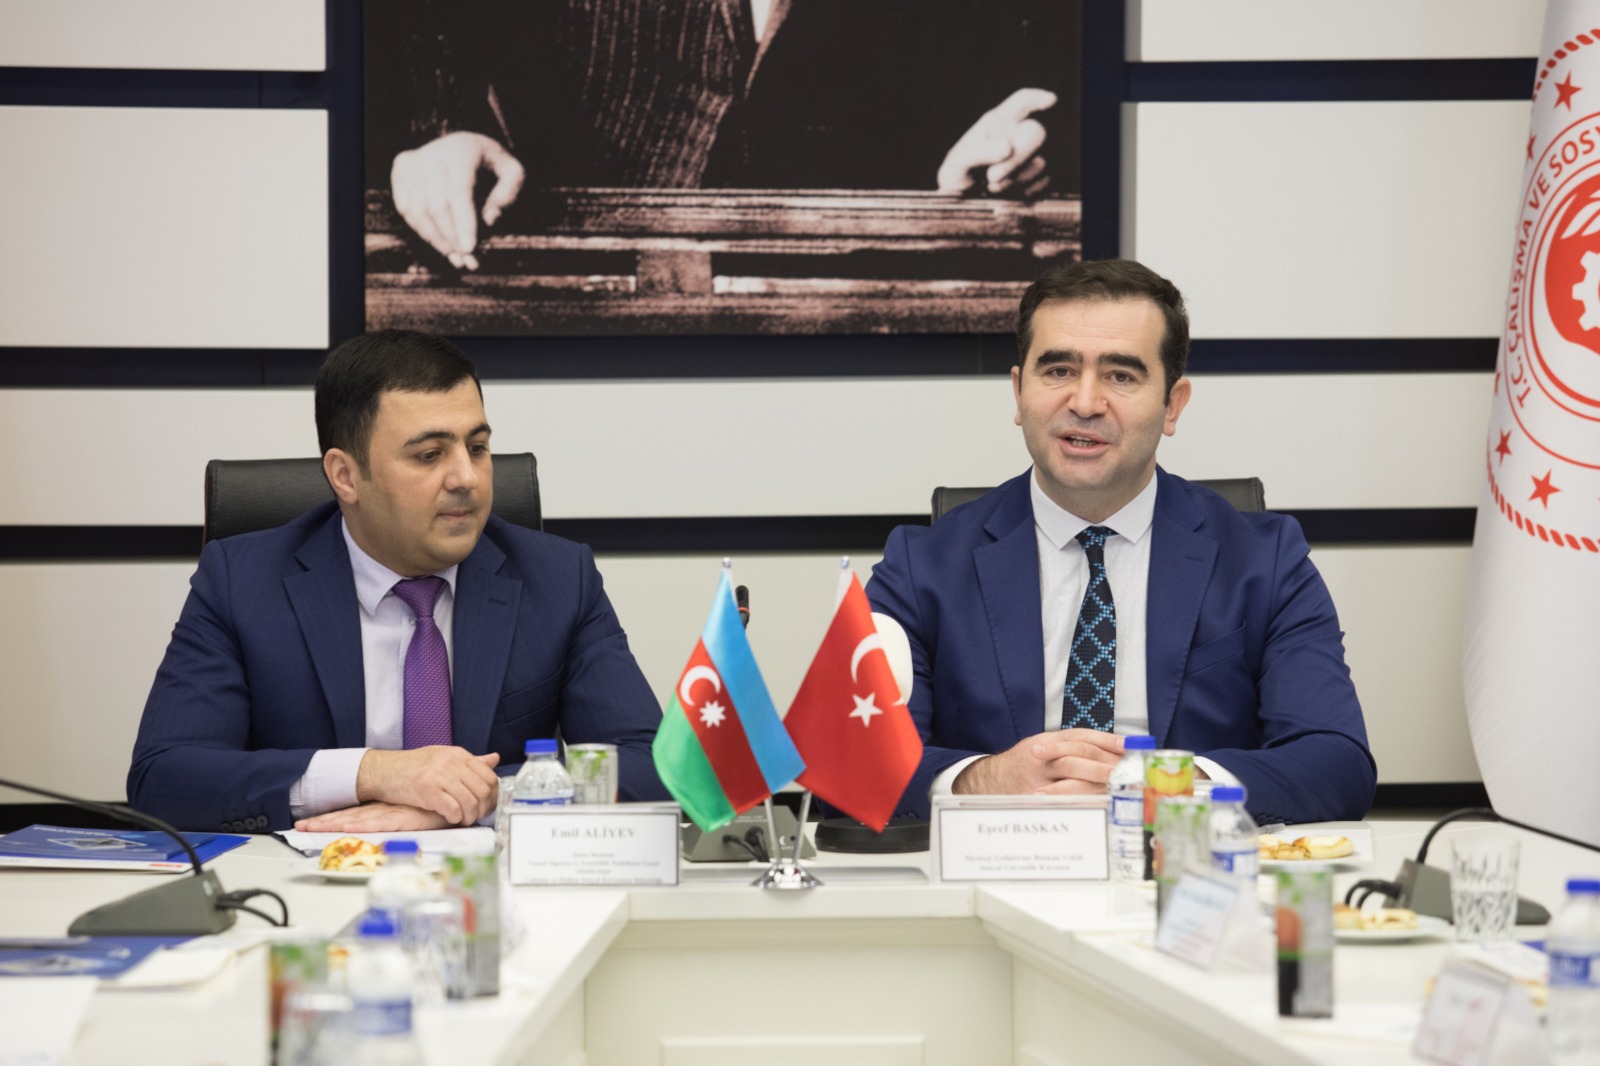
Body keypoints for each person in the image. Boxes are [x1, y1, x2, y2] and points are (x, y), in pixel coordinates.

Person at [866, 259, 1376, 825]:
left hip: (1182, 864)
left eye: (1121, 376)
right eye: (1058, 370)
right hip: (998, 860)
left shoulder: (1265, 560)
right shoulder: (921, 566)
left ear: (1172, 404)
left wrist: (1162, 785)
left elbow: (1337, 765)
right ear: (1018, 391)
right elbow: (855, 763)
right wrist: (985, 781)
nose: (1085, 402)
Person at [127, 331, 666, 832]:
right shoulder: (241, 582)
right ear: (345, 476)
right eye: (429, 455)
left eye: (477, 447)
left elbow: (653, 768)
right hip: (305, 883)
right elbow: (164, 777)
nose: (467, 478)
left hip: (492, 886)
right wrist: (373, 774)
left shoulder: (558, 578)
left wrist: (476, 800)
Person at [366, 1, 1076, 270]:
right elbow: (432, 48)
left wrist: (971, 175)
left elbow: (991, 111)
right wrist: (444, 138)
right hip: (567, 317)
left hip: (842, 329)